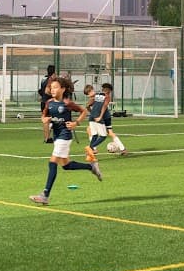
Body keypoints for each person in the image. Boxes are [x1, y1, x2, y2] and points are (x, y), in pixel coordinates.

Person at [29, 77, 100, 205]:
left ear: (63, 89)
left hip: (65, 136)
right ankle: (91, 167)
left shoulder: (67, 103)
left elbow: (83, 111)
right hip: (57, 137)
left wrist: (75, 123)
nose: (52, 89)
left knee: (52, 162)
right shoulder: (49, 103)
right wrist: (44, 120)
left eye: (55, 87)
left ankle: (45, 195)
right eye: (51, 88)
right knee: (66, 165)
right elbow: (44, 116)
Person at [82, 82, 127, 158]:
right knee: (91, 130)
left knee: (106, 133)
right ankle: (93, 148)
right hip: (103, 117)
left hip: (104, 117)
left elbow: (90, 105)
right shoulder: (101, 96)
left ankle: (122, 149)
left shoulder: (97, 96)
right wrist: (95, 114)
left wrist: (94, 114)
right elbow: (94, 105)